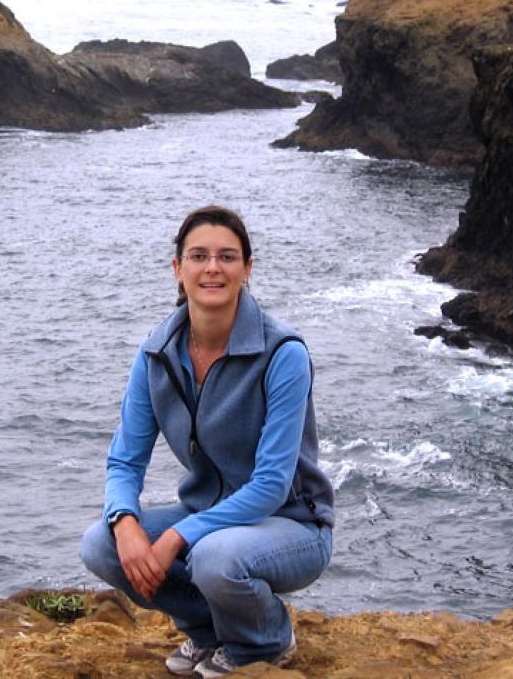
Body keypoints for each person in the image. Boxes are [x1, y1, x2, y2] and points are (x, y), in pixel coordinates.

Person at [80, 205, 335, 677]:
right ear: (178, 269)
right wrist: (124, 521)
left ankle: (265, 639)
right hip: (207, 517)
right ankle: (209, 631)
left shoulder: (283, 353)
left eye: (227, 257)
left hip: (293, 524)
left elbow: (273, 485)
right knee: (101, 544)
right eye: (198, 256)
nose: (212, 268)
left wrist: (178, 535)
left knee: (214, 556)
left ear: (247, 269)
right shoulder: (156, 353)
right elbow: (124, 462)